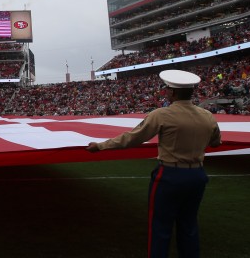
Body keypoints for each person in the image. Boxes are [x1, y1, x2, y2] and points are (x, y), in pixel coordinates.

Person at [86, 69, 221, 258]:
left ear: (172, 92)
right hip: (197, 175)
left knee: (160, 226)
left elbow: (133, 138)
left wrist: (101, 146)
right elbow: (215, 142)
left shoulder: (162, 114)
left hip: (170, 175)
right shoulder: (207, 116)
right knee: (189, 225)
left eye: (167, 89)